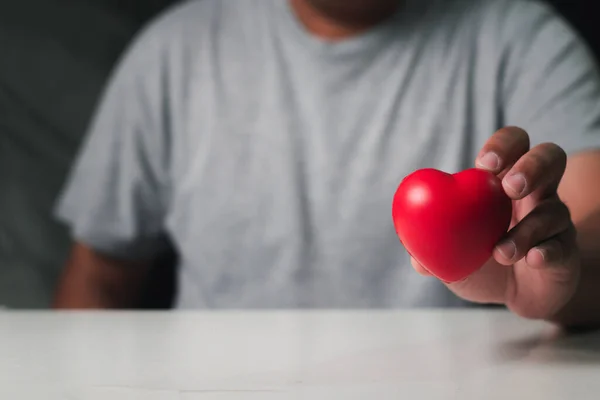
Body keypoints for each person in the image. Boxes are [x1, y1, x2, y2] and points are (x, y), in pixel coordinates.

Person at [53, 0, 600, 327]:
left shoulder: (524, 42)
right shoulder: (172, 51)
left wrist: (556, 287)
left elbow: (590, 236)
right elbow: (99, 278)